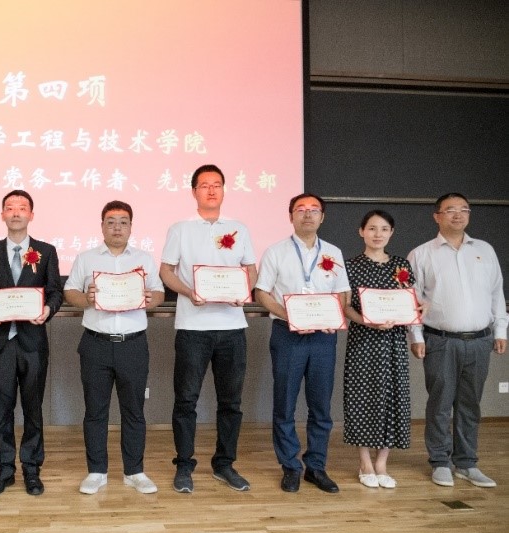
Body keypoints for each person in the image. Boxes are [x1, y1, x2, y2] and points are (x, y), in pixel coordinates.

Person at [160, 164, 257, 494]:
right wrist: (189, 292)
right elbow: (166, 271)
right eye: (204, 185)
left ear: (224, 190)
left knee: (231, 402)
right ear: (194, 192)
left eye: (217, 184)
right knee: (186, 400)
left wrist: (244, 290)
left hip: (232, 327)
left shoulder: (239, 228)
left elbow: (250, 269)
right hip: (193, 328)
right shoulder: (180, 229)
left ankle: (224, 464)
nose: (211, 190)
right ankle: (184, 465)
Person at [64, 200, 165, 495]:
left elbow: (159, 292)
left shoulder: (144, 259)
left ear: (131, 227)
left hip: (133, 345)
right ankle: (96, 471)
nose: (117, 227)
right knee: (95, 411)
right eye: (111, 222)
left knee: (134, 411)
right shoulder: (86, 258)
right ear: (102, 226)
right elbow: (70, 291)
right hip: (96, 343)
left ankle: (134, 471)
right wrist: (86, 299)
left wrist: (151, 299)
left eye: (123, 222)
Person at [408, 193, 506, 488]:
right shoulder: (421, 254)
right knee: (440, 403)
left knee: (470, 404)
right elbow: (412, 299)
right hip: (440, 340)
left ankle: (466, 463)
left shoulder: (485, 250)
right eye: (451, 210)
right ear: (437, 216)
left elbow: (496, 293)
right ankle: (440, 461)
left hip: (480, 340)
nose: (458, 215)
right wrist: (416, 335)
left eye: (464, 209)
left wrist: (501, 331)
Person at [254, 193, 351, 493]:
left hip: (323, 337)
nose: (307, 215)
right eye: (301, 209)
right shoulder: (275, 252)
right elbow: (262, 293)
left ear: (322, 217)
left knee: (321, 405)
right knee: (284, 403)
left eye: (314, 210)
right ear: (290, 216)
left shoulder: (333, 252)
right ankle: (291, 467)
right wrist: (290, 315)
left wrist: (331, 316)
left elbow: (342, 294)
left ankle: (316, 466)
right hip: (287, 335)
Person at [0, 190, 62, 496]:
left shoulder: (46, 251)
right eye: (10, 208)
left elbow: (55, 291)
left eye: (22, 208)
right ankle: (4, 470)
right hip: (0, 341)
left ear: (31, 215)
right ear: (2, 215)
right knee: (3, 409)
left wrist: (48, 310)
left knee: (33, 408)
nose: (15, 212)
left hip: (32, 341)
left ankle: (32, 470)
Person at [342, 210, 413, 489]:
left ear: (391, 233)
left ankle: (382, 462)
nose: (377, 234)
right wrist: (367, 321)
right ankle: (365, 462)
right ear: (361, 231)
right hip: (363, 341)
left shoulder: (401, 265)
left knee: (393, 398)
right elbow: (345, 306)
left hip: (394, 343)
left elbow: (409, 302)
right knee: (362, 399)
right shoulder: (350, 266)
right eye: (372, 228)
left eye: (384, 229)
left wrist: (418, 308)